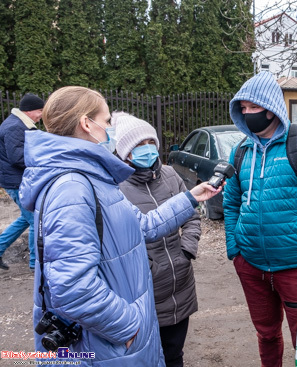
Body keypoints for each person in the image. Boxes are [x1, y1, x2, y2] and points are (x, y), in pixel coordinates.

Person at [18, 86, 221, 366]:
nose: (111, 128)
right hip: (103, 345)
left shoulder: (92, 178)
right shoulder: (72, 187)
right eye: (108, 120)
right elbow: (72, 286)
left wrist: (190, 198)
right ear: (87, 124)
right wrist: (127, 327)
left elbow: (143, 225)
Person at [223, 71, 297, 367]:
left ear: (271, 107)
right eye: (244, 109)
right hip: (251, 266)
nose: (248, 114)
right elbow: (230, 202)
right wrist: (235, 250)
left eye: (254, 108)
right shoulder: (241, 150)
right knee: (266, 335)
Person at [114, 112, 201, 367]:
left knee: (175, 354)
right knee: (147, 357)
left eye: (150, 142)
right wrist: (148, 266)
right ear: (124, 152)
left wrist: (187, 250)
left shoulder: (171, 175)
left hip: (180, 282)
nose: (147, 149)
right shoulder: (116, 187)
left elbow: (191, 216)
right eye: (139, 145)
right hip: (146, 288)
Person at [0, 93, 44, 271]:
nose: (41, 114)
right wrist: (42, 160)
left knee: (26, 219)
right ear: (29, 111)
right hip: (15, 182)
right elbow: (17, 157)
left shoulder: (18, 124)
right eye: (40, 111)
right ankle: (35, 263)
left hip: (15, 180)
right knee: (35, 220)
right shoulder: (14, 127)